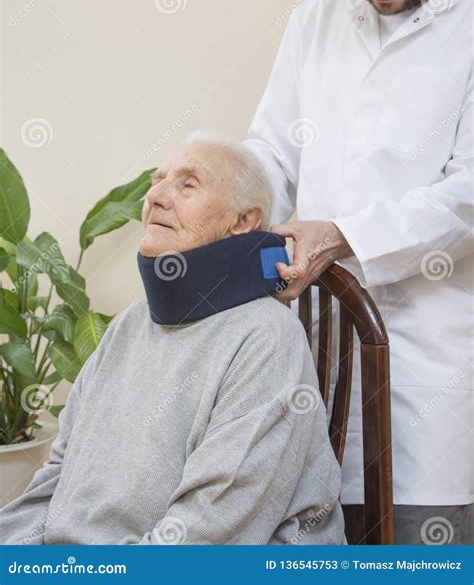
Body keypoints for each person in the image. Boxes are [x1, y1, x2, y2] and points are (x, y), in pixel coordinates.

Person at [244, 0, 473, 544]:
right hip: (311, 350)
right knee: (311, 538)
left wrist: (341, 235)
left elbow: (466, 197)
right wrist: (223, 200)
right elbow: (271, 152)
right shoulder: (313, 23)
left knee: (416, 543)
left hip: (426, 364)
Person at [0, 133, 345, 546]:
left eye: (188, 184)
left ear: (243, 221)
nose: (156, 197)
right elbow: (59, 478)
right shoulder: (131, 323)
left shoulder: (266, 340)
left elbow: (211, 532)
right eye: (157, 181)